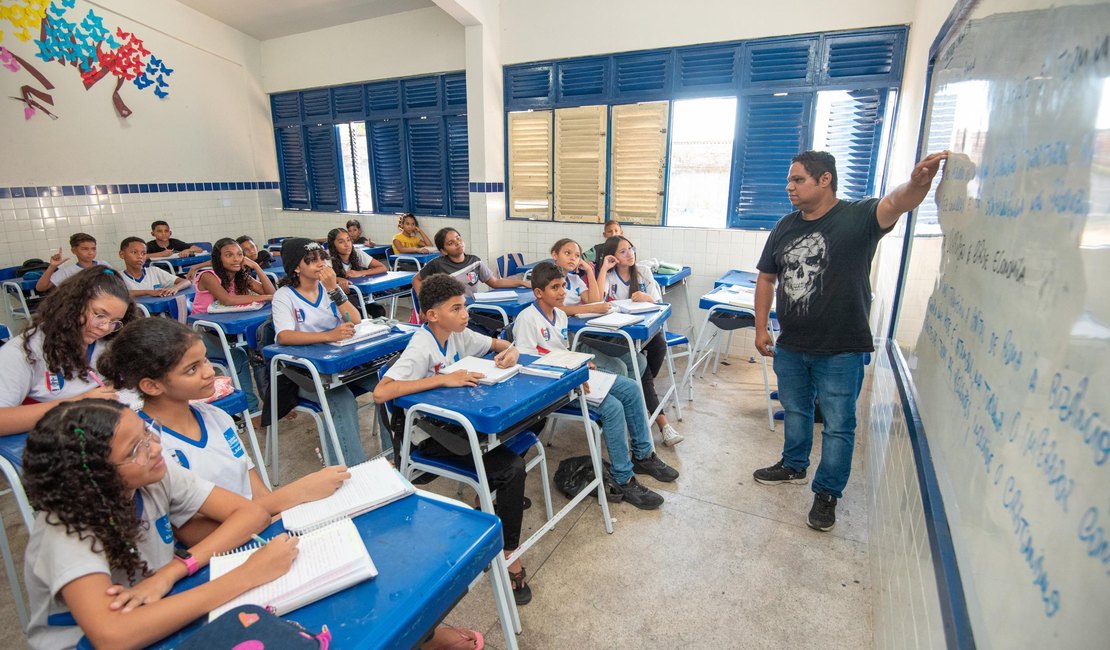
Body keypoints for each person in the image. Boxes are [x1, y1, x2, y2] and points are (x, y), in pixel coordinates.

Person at [752, 150, 948, 532]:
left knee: (839, 424)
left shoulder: (858, 217)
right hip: (792, 344)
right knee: (796, 409)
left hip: (841, 347)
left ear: (824, 179)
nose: (789, 188)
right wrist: (762, 327)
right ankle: (794, 464)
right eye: (789, 181)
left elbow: (896, 202)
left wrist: (918, 184)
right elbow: (766, 278)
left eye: (798, 180)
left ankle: (827, 494)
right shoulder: (784, 226)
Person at [22, 398, 297, 649]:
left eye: (146, 431)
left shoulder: (153, 474)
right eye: (134, 450)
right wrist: (247, 575)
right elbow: (112, 635)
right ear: (95, 478)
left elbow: (251, 514)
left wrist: (175, 570)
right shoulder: (66, 531)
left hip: (161, 614)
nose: (155, 447)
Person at [97, 318, 351, 533]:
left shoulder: (216, 417)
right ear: (151, 385)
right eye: (191, 369)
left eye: (205, 361)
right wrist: (297, 493)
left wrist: (280, 521)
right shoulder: (147, 446)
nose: (209, 372)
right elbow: (193, 533)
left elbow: (256, 490)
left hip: (262, 527)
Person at [373, 274, 532, 605]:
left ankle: (493, 499)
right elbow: (381, 392)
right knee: (512, 468)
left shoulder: (458, 334)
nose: (465, 314)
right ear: (432, 315)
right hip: (427, 437)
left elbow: (498, 344)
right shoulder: (422, 345)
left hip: (458, 427)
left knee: (529, 422)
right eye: (456, 308)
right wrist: (441, 380)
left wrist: (511, 352)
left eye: (464, 306)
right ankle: (507, 552)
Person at [514, 262, 678, 509]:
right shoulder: (527, 319)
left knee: (632, 389)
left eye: (563, 286)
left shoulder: (559, 314)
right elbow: (527, 364)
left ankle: (643, 456)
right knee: (612, 408)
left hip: (571, 375)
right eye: (555, 287)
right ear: (538, 293)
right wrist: (572, 369)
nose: (561, 292)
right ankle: (624, 478)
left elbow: (560, 351)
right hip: (553, 387)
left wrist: (580, 362)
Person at [273, 238, 385, 463]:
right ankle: (354, 471)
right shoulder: (284, 296)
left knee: (387, 385)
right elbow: (283, 336)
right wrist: (329, 335)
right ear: (296, 267)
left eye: (322, 258)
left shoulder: (327, 290)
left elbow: (355, 319)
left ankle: (396, 456)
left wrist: (334, 289)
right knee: (341, 400)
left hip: (341, 364)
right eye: (311, 261)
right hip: (306, 373)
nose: (320, 264)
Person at [0, 266, 138, 436]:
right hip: (54, 444)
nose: (105, 327)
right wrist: (77, 404)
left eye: (115, 321)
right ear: (73, 304)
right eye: (99, 315)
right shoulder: (23, 351)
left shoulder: (107, 341)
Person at [596, 235, 685, 446]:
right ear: (612, 257)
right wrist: (602, 269)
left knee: (658, 345)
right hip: (618, 336)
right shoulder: (608, 277)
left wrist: (647, 298)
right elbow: (598, 299)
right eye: (623, 251)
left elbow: (659, 304)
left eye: (631, 248)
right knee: (641, 371)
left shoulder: (643, 272)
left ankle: (643, 389)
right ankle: (663, 425)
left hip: (644, 333)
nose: (630, 254)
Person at [192, 237, 276, 413]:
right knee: (238, 354)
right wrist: (265, 298)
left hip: (231, 332)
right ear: (218, 258)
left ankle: (271, 403)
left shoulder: (240, 276)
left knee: (259, 349)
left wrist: (257, 267)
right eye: (229, 255)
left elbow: (271, 292)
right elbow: (228, 299)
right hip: (204, 336)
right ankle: (251, 410)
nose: (236, 259)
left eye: (239, 254)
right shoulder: (208, 276)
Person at [411, 227, 529, 300]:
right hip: (450, 312)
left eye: (458, 238)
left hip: (472, 308)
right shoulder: (437, 264)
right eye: (451, 243)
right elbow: (416, 279)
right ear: (443, 251)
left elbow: (495, 282)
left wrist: (522, 283)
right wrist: (423, 303)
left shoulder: (475, 261)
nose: (458, 243)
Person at [118, 237, 191, 297]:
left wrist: (175, 288)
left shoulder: (154, 271)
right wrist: (149, 292)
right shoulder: (117, 277)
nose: (140, 256)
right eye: (134, 252)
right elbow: (118, 293)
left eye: (143, 253)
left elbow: (187, 281)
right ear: (122, 254)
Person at [35, 233, 109, 292]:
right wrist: (52, 267)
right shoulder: (67, 272)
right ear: (73, 250)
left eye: (93, 249)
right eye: (85, 249)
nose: (90, 252)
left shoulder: (103, 265)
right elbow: (41, 288)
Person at [185, 235, 274, 282]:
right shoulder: (239, 266)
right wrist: (195, 267)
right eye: (246, 250)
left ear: (257, 247)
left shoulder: (263, 255)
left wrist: (256, 266)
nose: (251, 251)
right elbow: (216, 261)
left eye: (252, 247)